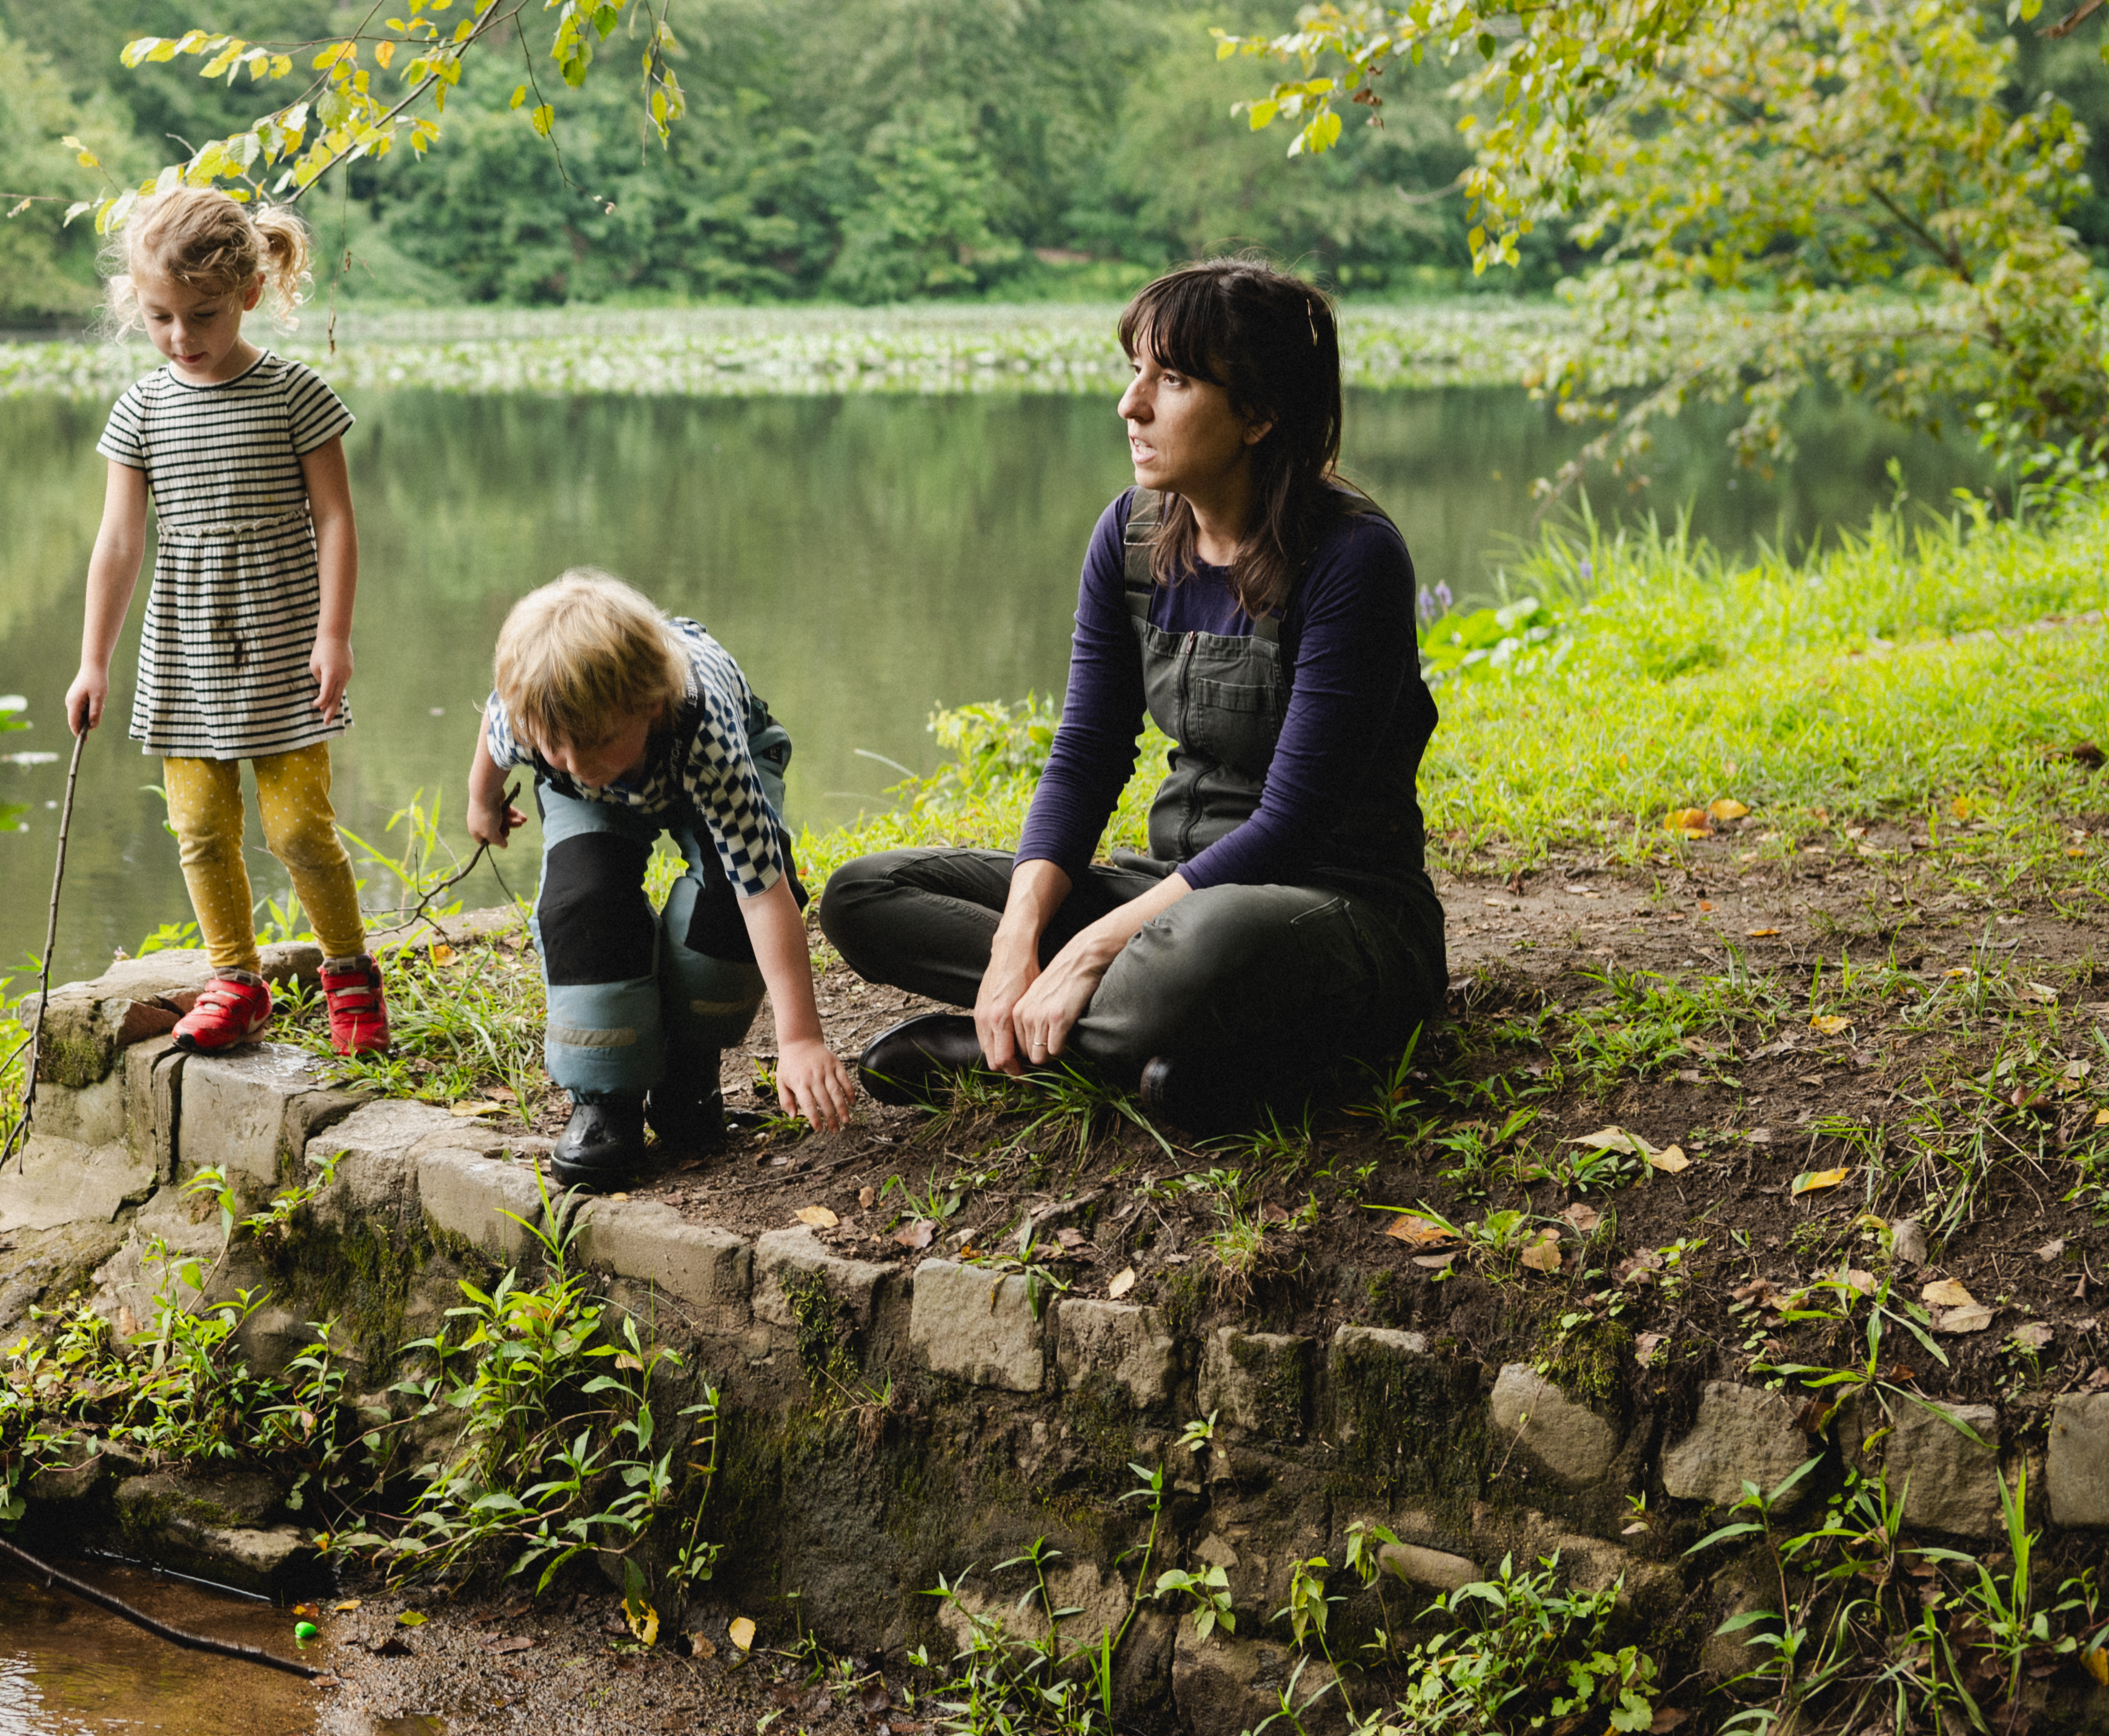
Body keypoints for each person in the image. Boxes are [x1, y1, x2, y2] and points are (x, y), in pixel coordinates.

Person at [820, 259, 1445, 1136]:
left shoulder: (1354, 559)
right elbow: (1085, 755)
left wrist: (1094, 947)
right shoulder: (1132, 534)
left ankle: (1012, 1053)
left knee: (1203, 947)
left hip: (1330, 912)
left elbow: (1293, 824)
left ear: (1261, 415)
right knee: (866, 894)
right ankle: (1153, 1052)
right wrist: (1019, 942)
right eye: (1136, 372)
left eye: (1174, 380)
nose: (1132, 405)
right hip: (1163, 899)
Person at [68, 188, 390, 1055]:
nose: (181, 335)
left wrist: (335, 633)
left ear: (248, 293)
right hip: (185, 650)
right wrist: (93, 660)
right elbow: (119, 543)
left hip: (284, 641)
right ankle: (237, 982)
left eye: (201, 314)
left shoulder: (293, 394)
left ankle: (350, 973)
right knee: (201, 831)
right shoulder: (142, 410)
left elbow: (336, 521)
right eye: (160, 316)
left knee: (296, 831)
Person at [468, 569, 857, 1190]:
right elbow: (496, 744)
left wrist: (801, 1038)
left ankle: (686, 1066)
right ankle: (607, 1096)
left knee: (726, 913)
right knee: (584, 905)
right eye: (552, 747)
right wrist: (482, 802)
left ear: (647, 708)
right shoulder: (540, 717)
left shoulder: (705, 736)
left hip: (697, 766)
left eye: (591, 744)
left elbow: (763, 892)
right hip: (607, 786)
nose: (572, 763)